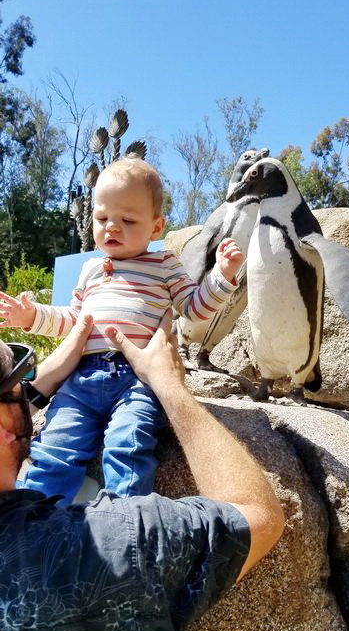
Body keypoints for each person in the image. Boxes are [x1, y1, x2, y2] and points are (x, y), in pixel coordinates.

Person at [0, 310, 285, 631]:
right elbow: (257, 515)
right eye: (19, 388)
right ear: (5, 427)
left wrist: (37, 388)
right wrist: (169, 385)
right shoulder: (113, 544)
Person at [0, 158, 243, 503]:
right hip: (81, 379)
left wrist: (222, 275)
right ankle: (32, 516)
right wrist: (32, 316)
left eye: (127, 220)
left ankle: (124, 515)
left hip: (137, 379)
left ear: (156, 227)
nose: (112, 227)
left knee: (127, 445)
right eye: (102, 219)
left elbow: (194, 308)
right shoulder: (90, 268)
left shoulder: (164, 264)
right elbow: (72, 319)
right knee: (55, 445)